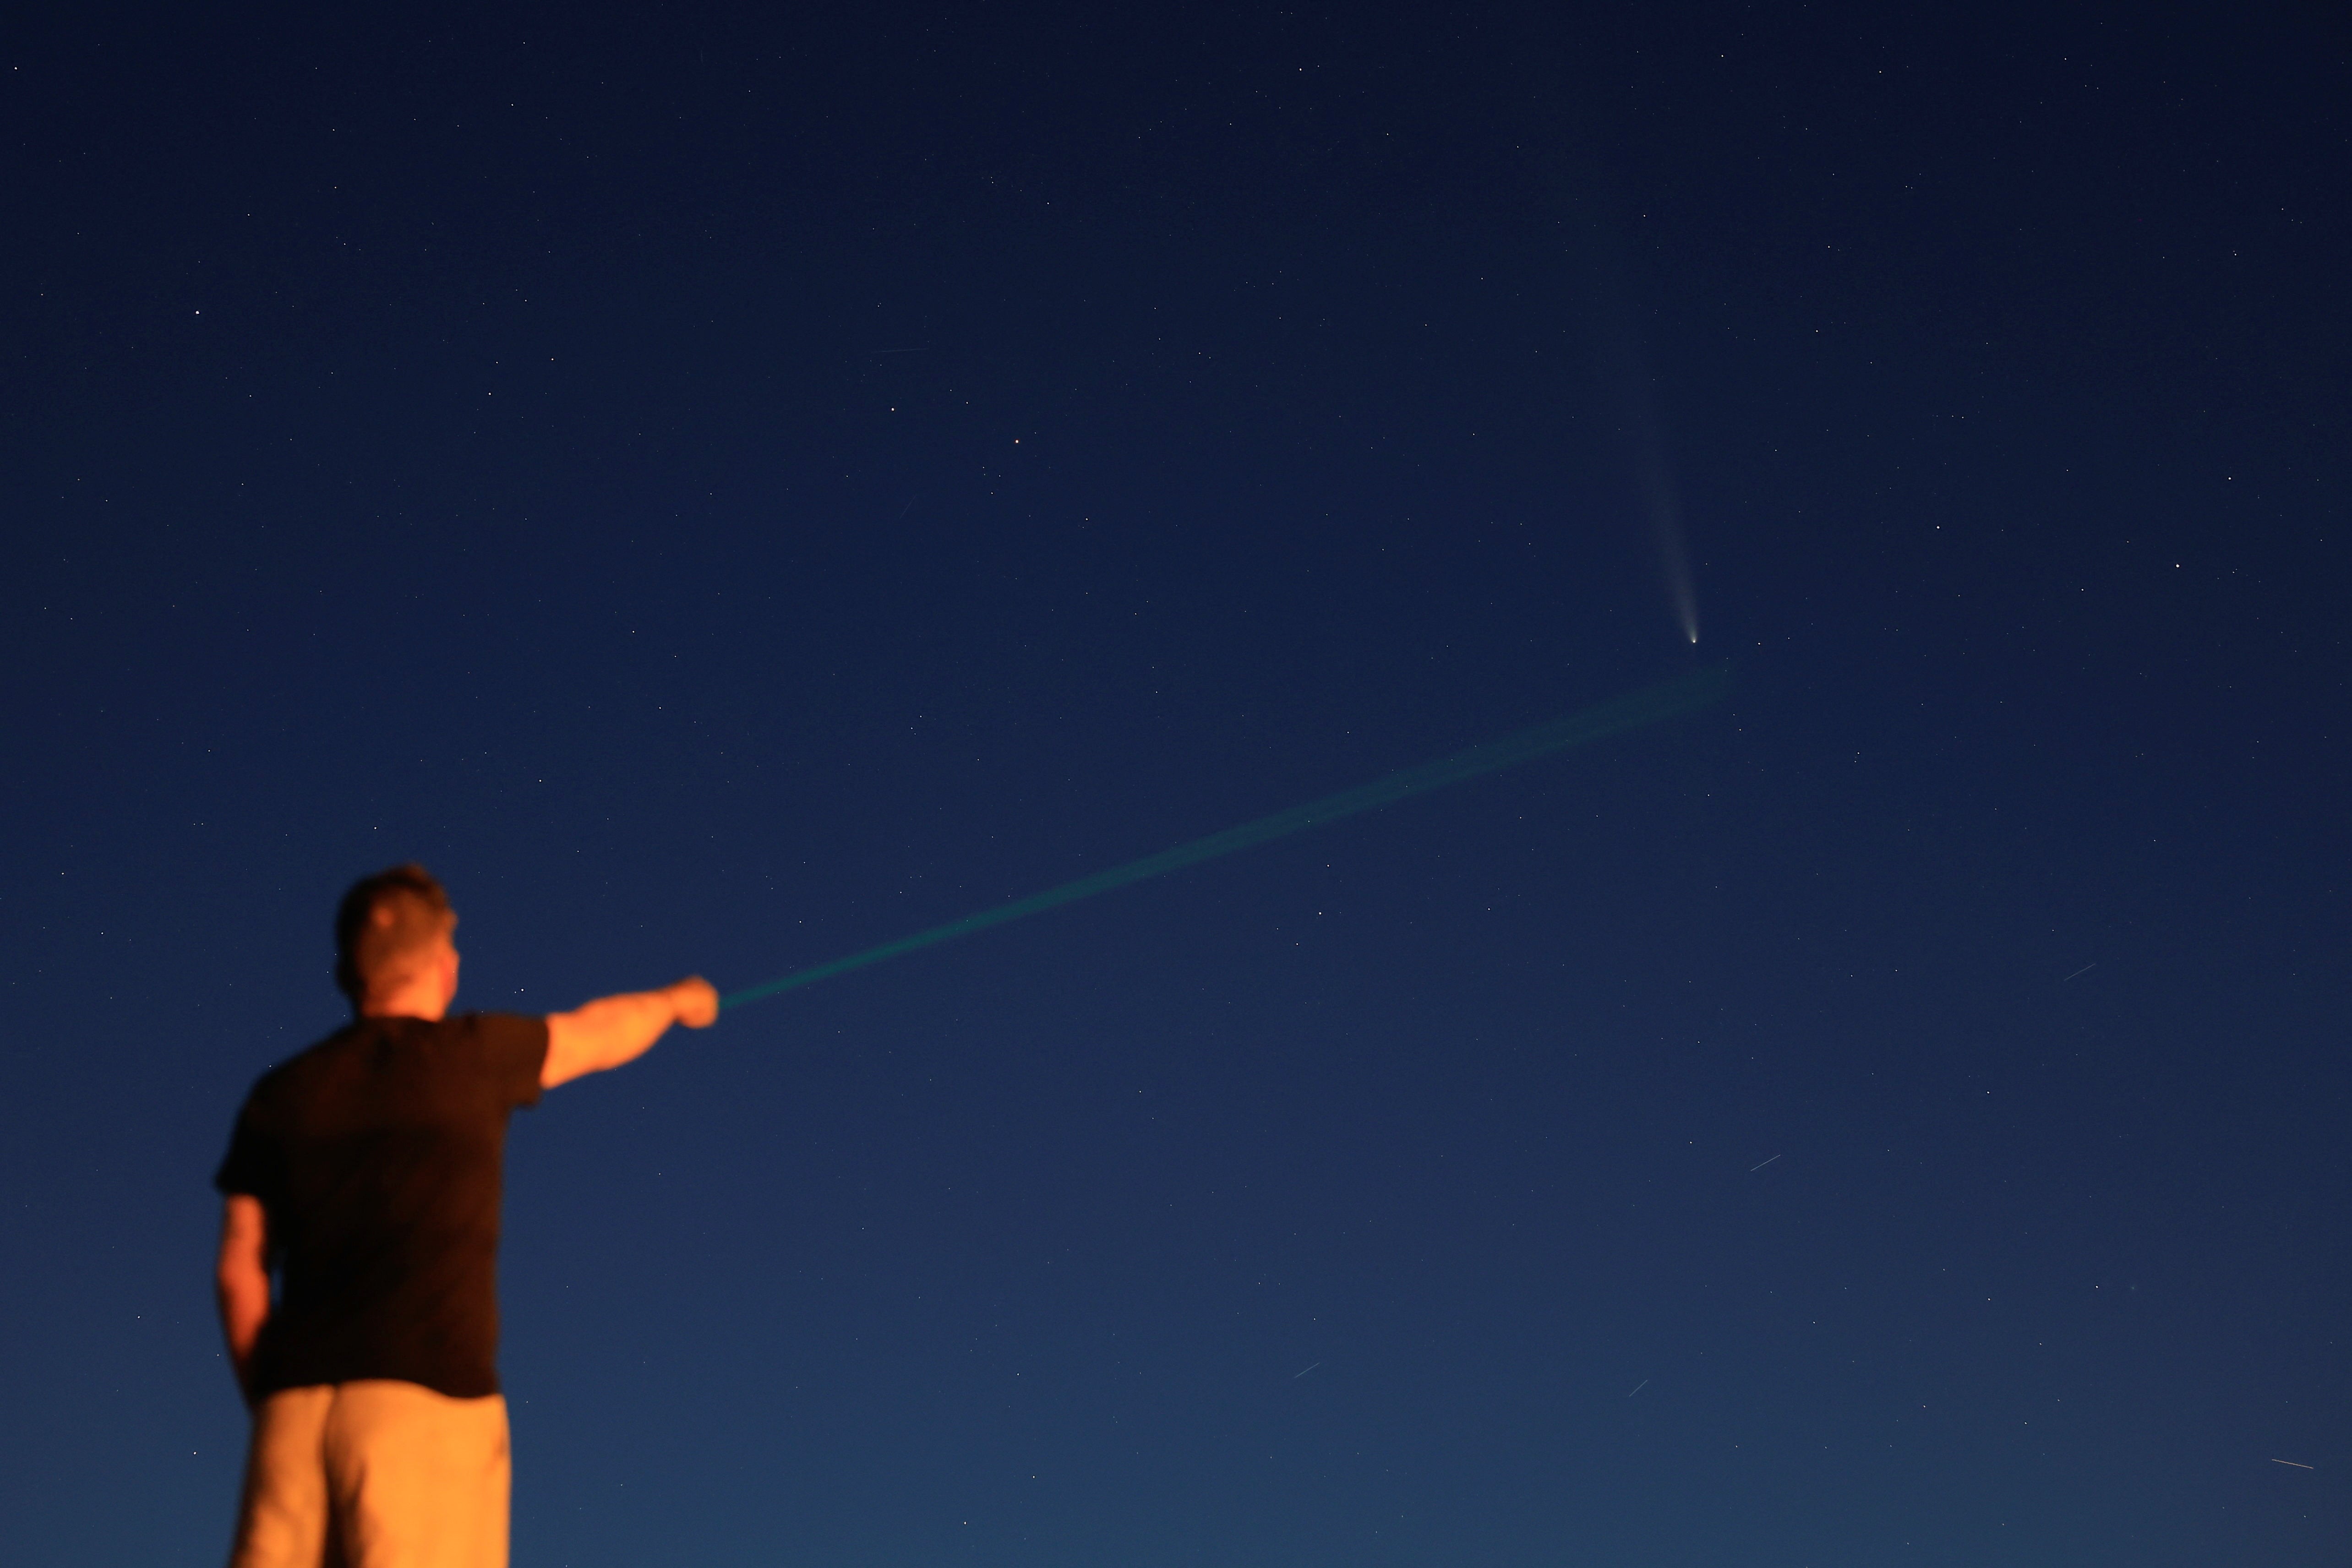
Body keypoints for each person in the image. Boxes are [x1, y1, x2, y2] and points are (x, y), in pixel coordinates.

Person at [212, 865, 718, 1568]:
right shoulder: (476, 1056)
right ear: (443, 967)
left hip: (291, 1424)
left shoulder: (278, 1096)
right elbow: (599, 1032)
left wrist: (273, 1402)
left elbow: (239, 1271)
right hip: (425, 1411)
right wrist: (675, 1001)